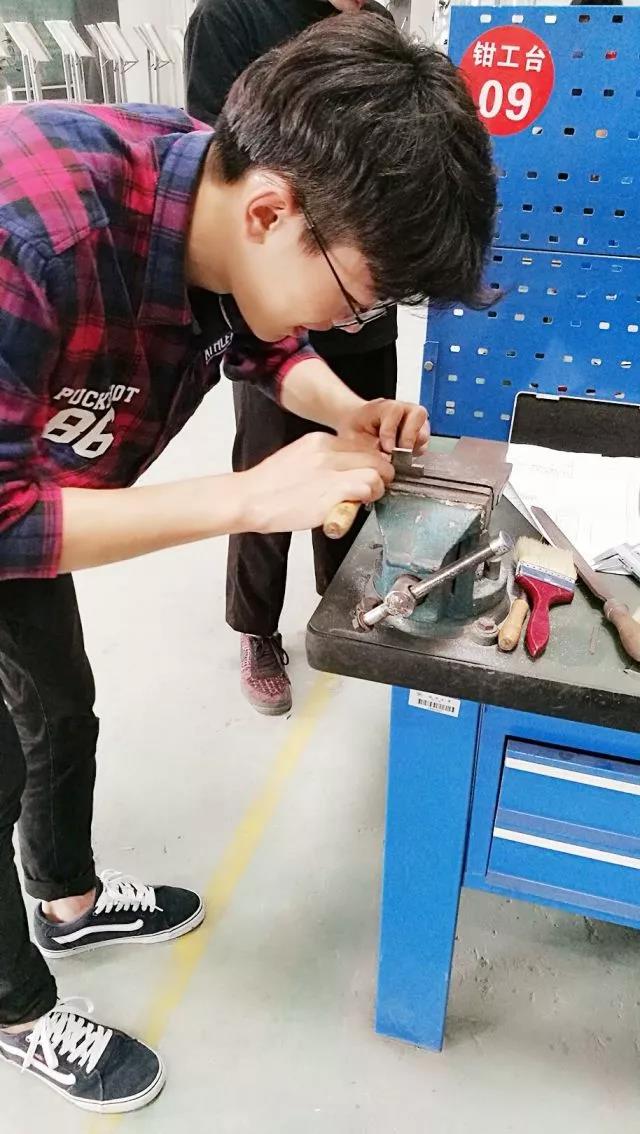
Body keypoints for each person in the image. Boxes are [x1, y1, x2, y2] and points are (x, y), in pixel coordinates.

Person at [0, 14, 496, 1114]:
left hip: (22, 473)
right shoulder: (30, 233)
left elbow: (264, 336)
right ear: (273, 212)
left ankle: (66, 901)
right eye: (362, 298)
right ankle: (16, 1007)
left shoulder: (221, 209)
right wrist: (249, 497)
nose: (359, 320)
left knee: (59, 705)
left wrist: (349, 408)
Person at [185, 0, 400, 715]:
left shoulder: (376, 25)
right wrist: (244, 498)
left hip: (329, 280)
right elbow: (213, 161)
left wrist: (350, 407)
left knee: (354, 470)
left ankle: (343, 612)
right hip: (282, 273)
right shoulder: (235, 15)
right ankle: (257, 629)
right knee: (268, 480)